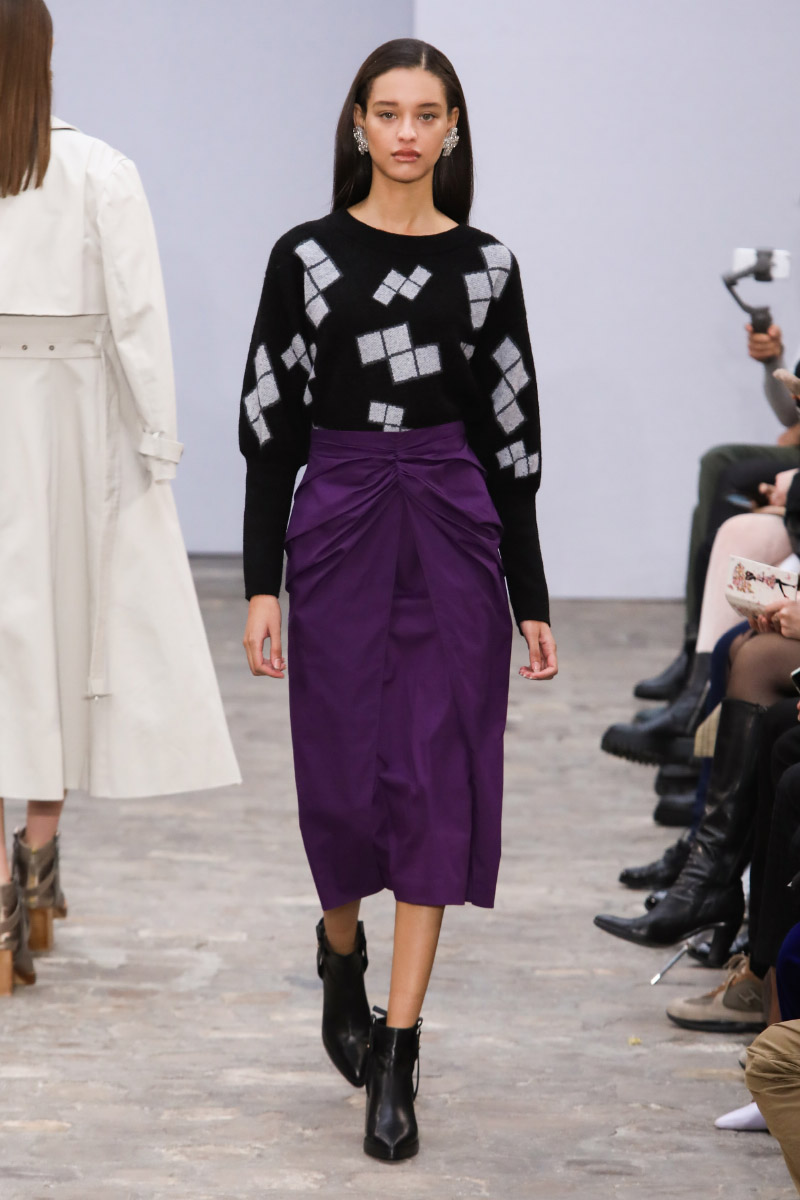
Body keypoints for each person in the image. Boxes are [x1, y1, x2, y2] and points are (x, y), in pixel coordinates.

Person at [240, 37, 556, 1162]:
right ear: (359, 125)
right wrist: (262, 582)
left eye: (428, 113)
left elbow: (510, 439)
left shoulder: (485, 268)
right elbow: (270, 428)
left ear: (453, 128)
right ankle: (342, 955)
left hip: (453, 529)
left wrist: (529, 592)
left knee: (434, 781)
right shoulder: (308, 258)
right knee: (336, 782)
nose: (408, 132)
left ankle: (398, 1049)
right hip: (337, 522)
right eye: (388, 112)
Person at [0, 0, 241, 996]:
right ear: (46, 52)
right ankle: (35, 871)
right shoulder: (99, 169)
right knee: (58, 652)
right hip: (73, 427)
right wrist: (157, 443)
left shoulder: (96, 167)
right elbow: (139, 318)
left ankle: (5, 910)